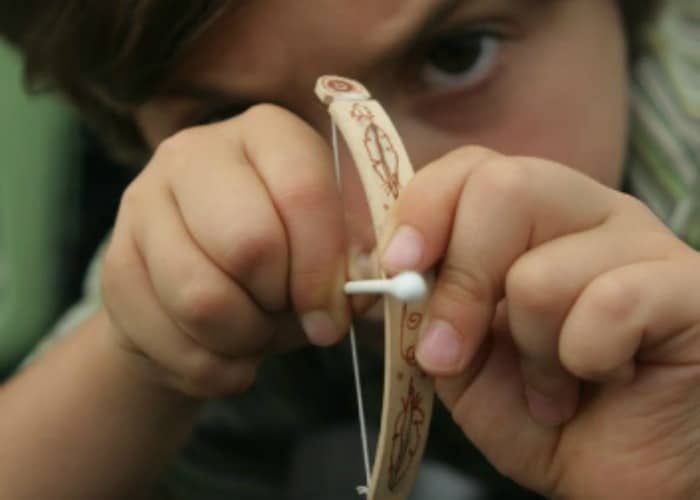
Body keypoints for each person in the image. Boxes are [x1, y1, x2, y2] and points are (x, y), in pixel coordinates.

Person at [1, 1, 699, 499]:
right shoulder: (235, 247)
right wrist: (141, 360)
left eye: (455, 55)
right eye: (230, 119)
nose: (380, 227)